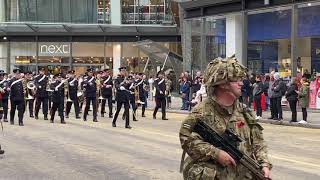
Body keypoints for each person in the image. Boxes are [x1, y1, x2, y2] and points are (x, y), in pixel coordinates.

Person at [179, 57, 272, 180]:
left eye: (241, 79)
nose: (241, 83)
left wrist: (264, 164)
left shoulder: (245, 112)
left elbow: (258, 142)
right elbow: (186, 138)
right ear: (222, 84)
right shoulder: (201, 112)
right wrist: (216, 153)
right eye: (236, 80)